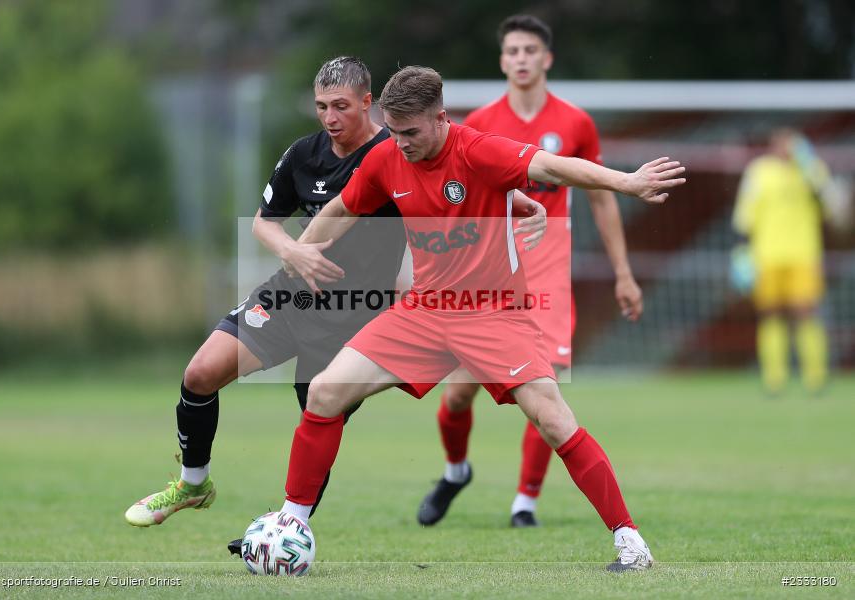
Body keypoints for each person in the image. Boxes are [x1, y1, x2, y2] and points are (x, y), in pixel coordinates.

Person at [273, 66, 685, 572]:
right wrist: (298, 256)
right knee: (324, 392)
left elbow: (555, 167)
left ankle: (630, 541)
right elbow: (339, 210)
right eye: (393, 130)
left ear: (441, 119)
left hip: (493, 312)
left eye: (410, 133)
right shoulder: (385, 156)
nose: (398, 143)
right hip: (425, 311)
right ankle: (290, 527)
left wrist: (627, 181)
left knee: (553, 420)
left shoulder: (478, 150)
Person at [123, 57, 409, 528]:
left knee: (317, 420)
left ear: (367, 101)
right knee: (199, 374)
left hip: (353, 317)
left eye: (341, 106)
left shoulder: (397, 157)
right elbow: (264, 222)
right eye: (321, 106)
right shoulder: (304, 155)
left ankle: (286, 530)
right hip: (291, 296)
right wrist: (293, 253)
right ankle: (193, 483)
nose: (330, 117)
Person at [417, 14, 644, 530]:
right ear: (502, 60)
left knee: (544, 387)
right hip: (486, 270)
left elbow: (602, 200)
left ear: (546, 59)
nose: (520, 58)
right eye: (512, 50)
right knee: (457, 393)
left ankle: (525, 502)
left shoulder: (576, 124)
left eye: (529, 50)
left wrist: (623, 272)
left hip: (545, 271)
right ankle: (455, 471)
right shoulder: (475, 123)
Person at [732, 127, 830, 394]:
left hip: (804, 254)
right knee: (770, 314)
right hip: (766, 256)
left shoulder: (811, 169)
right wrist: (741, 253)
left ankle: (815, 378)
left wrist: (807, 164)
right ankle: (774, 379)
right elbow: (745, 213)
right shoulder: (759, 171)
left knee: (806, 313)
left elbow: (827, 204)